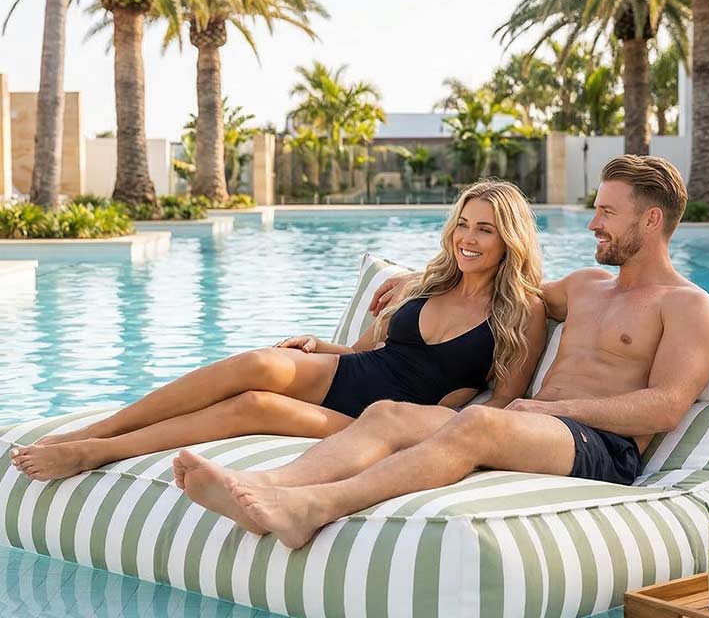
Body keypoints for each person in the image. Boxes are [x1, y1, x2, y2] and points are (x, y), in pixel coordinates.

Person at [165, 154, 709, 549]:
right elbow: (501, 285)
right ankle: (271, 486)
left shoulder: (686, 307)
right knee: (388, 413)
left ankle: (313, 508)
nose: (593, 222)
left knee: (479, 423)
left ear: (651, 220)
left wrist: (549, 409)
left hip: (601, 449)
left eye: (607, 212)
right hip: (534, 429)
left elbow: (666, 406)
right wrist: (422, 278)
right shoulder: (583, 285)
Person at [10, 180, 547, 482]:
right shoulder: (427, 283)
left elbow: (502, 401)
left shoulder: (522, 309)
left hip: (382, 418)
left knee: (253, 405)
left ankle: (97, 453)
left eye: (486, 229)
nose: (467, 238)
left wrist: (436, 434)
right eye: (463, 224)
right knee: (259, 365)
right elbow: (368, 350)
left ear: (510, 240)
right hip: (356, 371)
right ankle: (97, 430)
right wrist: (321, 345)